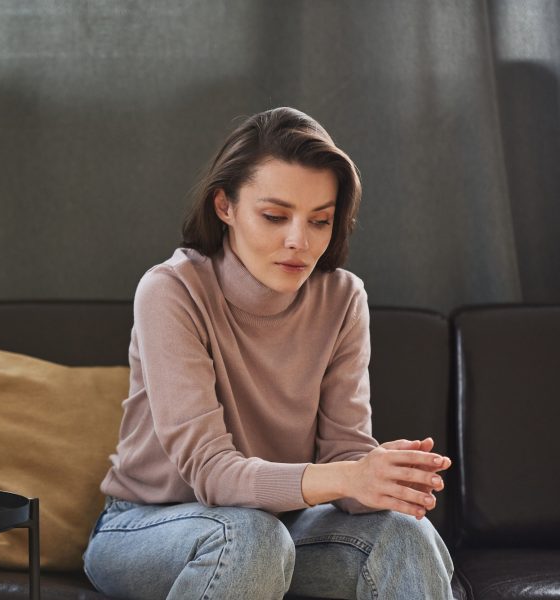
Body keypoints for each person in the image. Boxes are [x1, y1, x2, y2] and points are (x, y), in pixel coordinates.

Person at [83, 107, 454, 599]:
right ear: (225, 206)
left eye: (320, 220)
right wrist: (347, 475)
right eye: (275, 216)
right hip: (147, 527)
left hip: (281, 528)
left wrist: (381, 477)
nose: (299, 241)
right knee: (249, 537)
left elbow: (344, 454)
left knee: (405, 534)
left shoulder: (343, 299)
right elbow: (211, 471)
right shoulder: (171, 291)